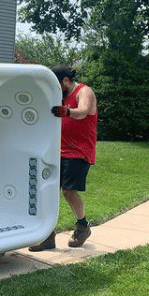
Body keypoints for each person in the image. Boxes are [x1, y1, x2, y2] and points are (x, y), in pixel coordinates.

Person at [29, 65, 97, 251]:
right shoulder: (59, 96)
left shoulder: (84, 91)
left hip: (79, 151)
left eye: (58, 84)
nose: (56, 88)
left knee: (68, 191)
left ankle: (83, 226)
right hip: (56, 150)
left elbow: (83, 111)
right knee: (48, 190)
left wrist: (67, 111)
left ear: (66, 80)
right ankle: (48, 236)